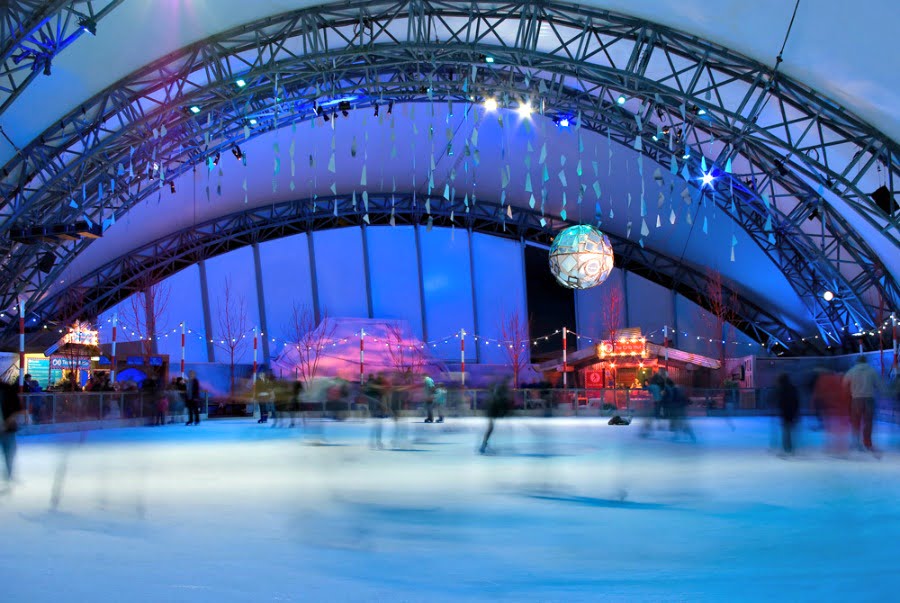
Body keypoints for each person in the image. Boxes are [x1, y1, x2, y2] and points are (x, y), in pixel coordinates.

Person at [843, 356, 880, 453]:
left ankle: (856, 443)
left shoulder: (852, 371)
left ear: (857, 361)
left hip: (856, 399)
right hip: (869, 399)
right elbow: (878, 384)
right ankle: (867, 443)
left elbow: (844, 383)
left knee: (856, 421)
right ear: (866, 361)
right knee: (868, 422)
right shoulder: (872, 371)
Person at [1, 378, 23, 486]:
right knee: (9, 451)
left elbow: (17, 408)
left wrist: (9, 421)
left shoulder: (7, 389)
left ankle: (9, 475)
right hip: (7, 428)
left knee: (9, 452)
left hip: (8, 428)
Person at [480, 378, 511, 454]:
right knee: (490, 429)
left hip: (491, 413)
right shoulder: (494, 395)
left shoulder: (493, 395)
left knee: (490, 429)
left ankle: (484, 443)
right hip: (491, 413)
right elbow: (495, 404)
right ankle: (484, 444)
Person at [774, 373, 799, 454]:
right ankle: (789, 447)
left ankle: (787, 447)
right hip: (792, 411)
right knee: (789, 429)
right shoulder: (792, 388)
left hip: (785, 411)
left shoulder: (781, 389)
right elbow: (796, 400)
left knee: (786, 429)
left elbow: (779, 400)